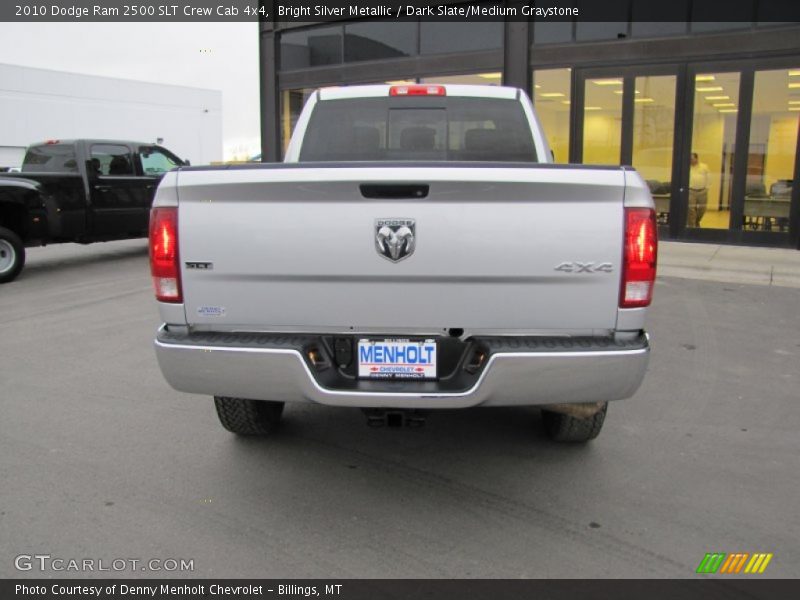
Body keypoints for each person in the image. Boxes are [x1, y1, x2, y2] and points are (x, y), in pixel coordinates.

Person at [687, 152, 709, 228]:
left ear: (696, 158)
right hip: (691, 191)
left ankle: (697, 221)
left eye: (692, 159)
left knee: (703, 209)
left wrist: (707, 188)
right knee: (691, 209)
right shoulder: (687, 167)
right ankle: (691, 227)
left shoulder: (704, 167)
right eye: (689, 159)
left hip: (702, 191)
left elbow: (708, 178)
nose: (690, 160)